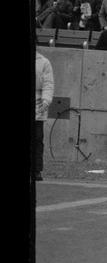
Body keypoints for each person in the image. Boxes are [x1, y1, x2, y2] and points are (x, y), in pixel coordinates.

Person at [34, 49, 54, 182]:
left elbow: (48, 84)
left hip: (37, 106)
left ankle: (36, 170)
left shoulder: (44, 62)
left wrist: (46, 101)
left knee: (36, 140)